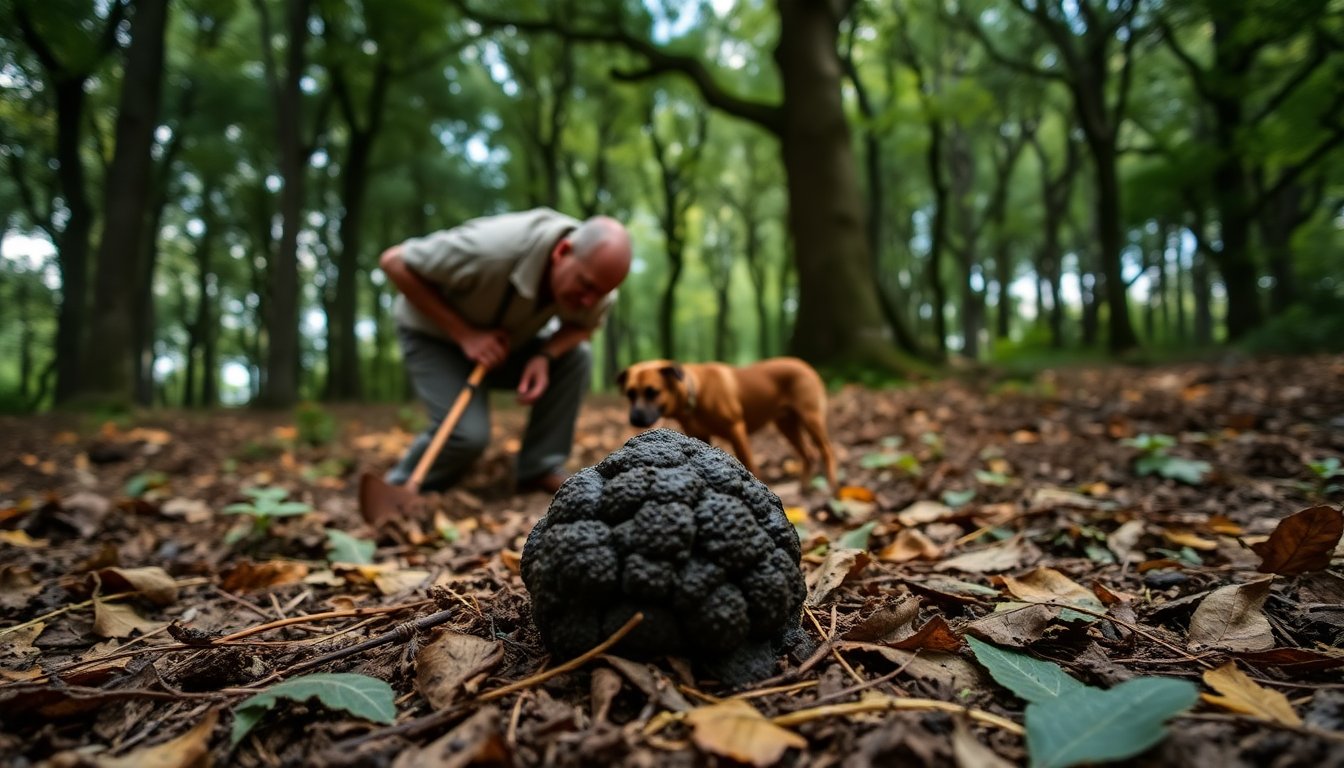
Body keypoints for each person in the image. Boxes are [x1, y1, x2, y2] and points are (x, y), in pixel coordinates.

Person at [378, 208, 632, 495]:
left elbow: (584, 328)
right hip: (436, 337)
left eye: (599, 294)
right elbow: (394, 262)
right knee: (466, 437)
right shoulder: (490, 250)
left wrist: (545, 356)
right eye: (585, 286)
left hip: (504, 346)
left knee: (577, 357)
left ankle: (539, 468)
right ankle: (399, 489)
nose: (589, 301)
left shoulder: (596, 281)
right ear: (562, 251)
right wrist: (465, 335)